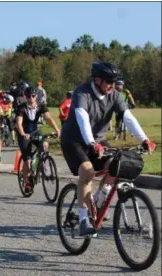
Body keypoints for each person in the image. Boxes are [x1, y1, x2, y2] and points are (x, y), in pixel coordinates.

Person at [60, 62, 156, 237]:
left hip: (98, 140)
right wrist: (91, 143)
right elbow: (82, 118)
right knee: (88, 172)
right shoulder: (82, 93)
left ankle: (98, 198)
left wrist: (144, 139)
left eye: (114, 82)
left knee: (117, 164)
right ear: (97, 80)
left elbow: (127, 117)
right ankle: (83, 220)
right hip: (74, 141)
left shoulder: (115, 95)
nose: (112, 85)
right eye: (109, 82)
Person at [15, 86, 60, 193]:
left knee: (44, 144)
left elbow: (48, 118)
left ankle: (43, 164)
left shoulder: (41, 106)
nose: (31, 98)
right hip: (24, 134)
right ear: (25, 97)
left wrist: (57, 129)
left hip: (35, 132)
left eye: (33, 96)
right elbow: (19, 123)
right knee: (28, 161)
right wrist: (22, 133)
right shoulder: (22, 107)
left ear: (36, 96)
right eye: (28, 96)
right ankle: (27, 182)